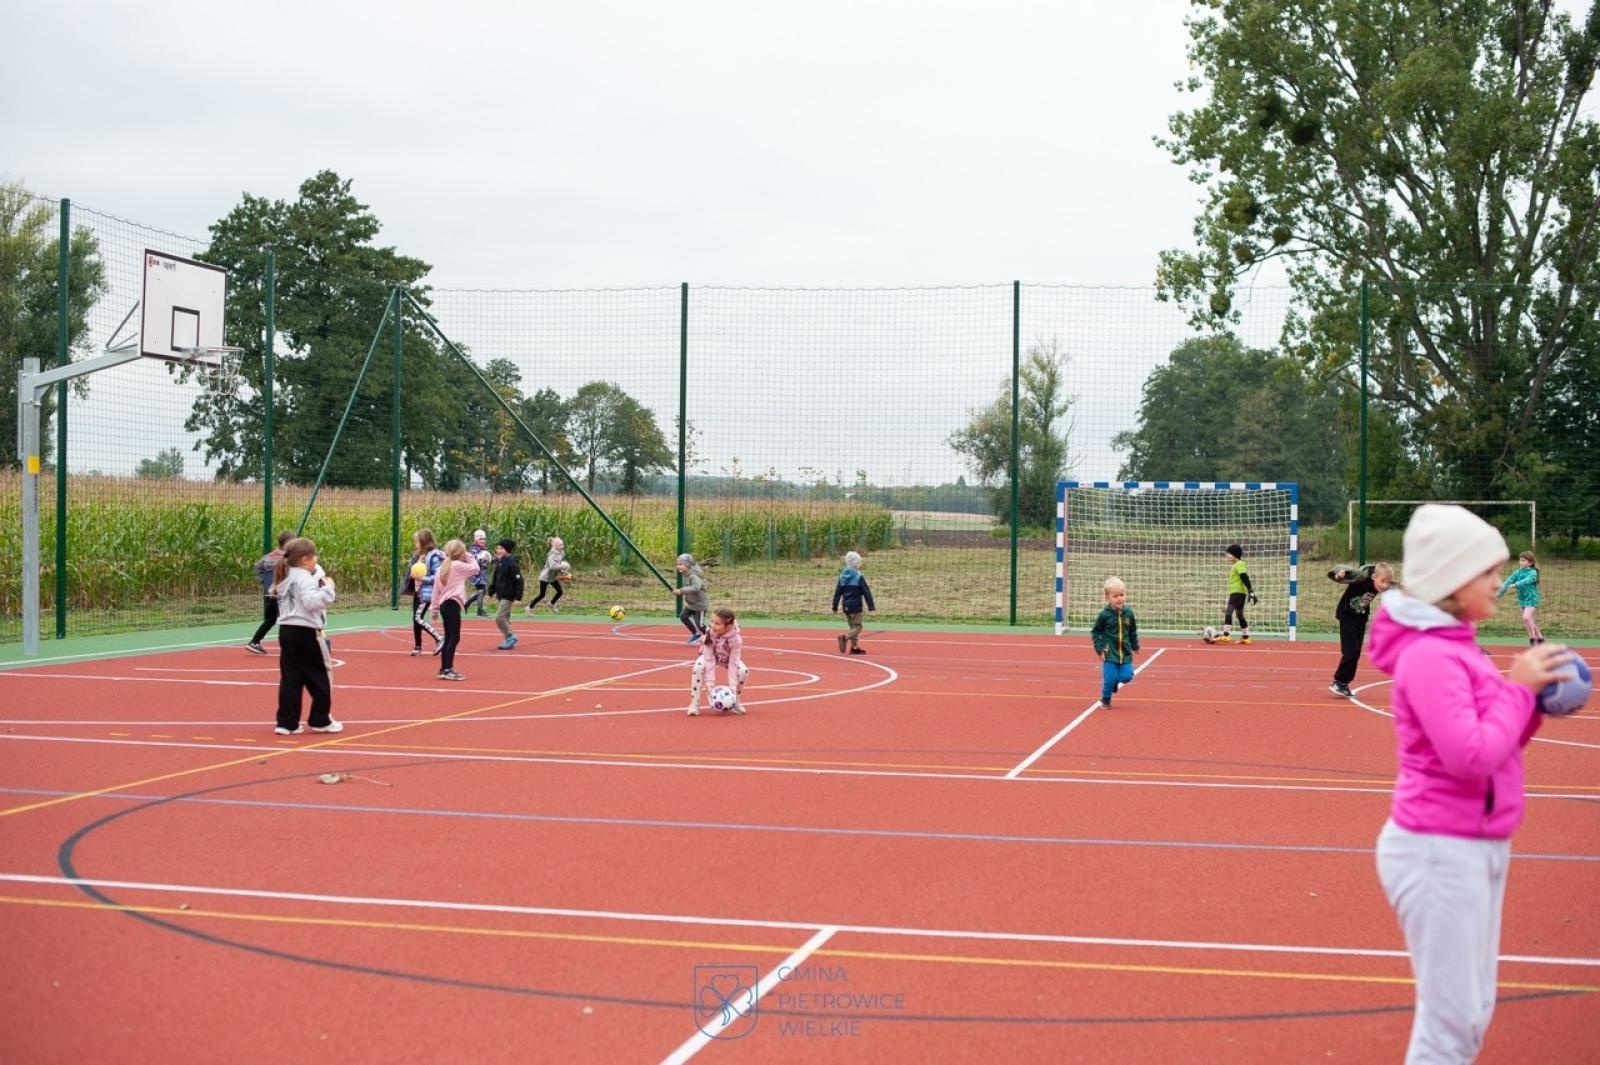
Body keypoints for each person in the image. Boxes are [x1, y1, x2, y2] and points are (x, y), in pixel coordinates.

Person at [1368, 504, 1573, 1063]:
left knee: (1472, 1011)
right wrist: (1519, 690)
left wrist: (1530, 701)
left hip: (1473, 842)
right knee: (1450, 1026)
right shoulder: (1431, 656)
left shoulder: (1457, 645)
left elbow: (1496, 740)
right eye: (1489, 572)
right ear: (1454, 583)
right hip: (1438, 850)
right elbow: (1468, 755)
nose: (1500, 582)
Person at [272, 537, 342, 735]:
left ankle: (287, 722)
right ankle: (320, 719)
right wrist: (328, 588)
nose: (316, 560)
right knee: (320, 675)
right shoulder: (303, 578)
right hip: (305, 632)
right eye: (313, 557)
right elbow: (311, 602)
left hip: (286, 630)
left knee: (291, 678)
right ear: (304, 559)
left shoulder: (285, 576)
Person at [1327, 561, 1395, 697]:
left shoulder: (1381, 583)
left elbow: (1397, 587)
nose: (1385, 585)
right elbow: (1343, 570)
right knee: (1350, 652)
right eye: (1383, 581)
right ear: (1374, 577)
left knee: (1356, 652)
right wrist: (1339, 575)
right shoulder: (1361, 576)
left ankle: (1343, 683)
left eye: (1387, 582)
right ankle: (1339, 682)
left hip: (1360, 617)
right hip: (1347, 615)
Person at [430, 538, 480, 681]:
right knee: (454, 637)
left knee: (449, 637)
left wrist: (434, 609)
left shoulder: (442, 568)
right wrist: (469, 555)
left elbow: (436, 590)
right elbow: (475, 568)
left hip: (445, 605)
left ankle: (445, 668)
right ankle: (447, 668)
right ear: (460, 553)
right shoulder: (458, 565)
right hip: (452, 604)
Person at [1089, 576, 1140, 709]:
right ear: (1108, 597)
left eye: (1122, 595)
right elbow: (1095, 632)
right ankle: (1106, 699)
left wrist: (1135, 646)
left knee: (1128, 676)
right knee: (1109, 679)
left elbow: (1132, 631)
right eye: (1115, 596)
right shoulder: (1104, 615)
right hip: (1109, 653)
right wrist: (1100, 649)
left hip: (1125, 653)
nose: (1119, 599)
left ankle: (1115, 684)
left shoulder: (1129, 613)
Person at [687, 606, 747, 716]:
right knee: (698, 667)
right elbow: (709, 659)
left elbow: (734, 662)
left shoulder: (736, 640)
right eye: (711, 622)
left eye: (717, 624)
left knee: (743, 671)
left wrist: (732, 688)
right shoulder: (709, 634)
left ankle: (735, 701)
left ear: (728, 626)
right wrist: (710, 684)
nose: (712, 625)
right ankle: (694, 704)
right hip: (710, 657)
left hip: (728, 659)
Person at [245, 530, 293, 654]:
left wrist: (264, 582)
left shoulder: (268, 557)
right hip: (281, 594)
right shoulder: (287, 558)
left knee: (270, 620)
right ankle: (290, 646)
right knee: (289, 619)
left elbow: (257, 568)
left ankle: (255, 641)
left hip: (269, 593)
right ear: (287, 543)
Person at [406, 529, 444, 655]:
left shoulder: (433, 556)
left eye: (417, 541)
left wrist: (422, 578)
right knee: (416, 618)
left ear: (424, 541)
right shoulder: (417, 555)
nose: (415, 543)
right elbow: (412, 571)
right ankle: (418, 646)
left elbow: (437, 576)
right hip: (418, 591)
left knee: (417, 618)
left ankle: (439, 638)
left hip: (428, 591)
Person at [830, 550, 876, 654]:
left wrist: (834, 607)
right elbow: (866, 592)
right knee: (858, 627)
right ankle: (844, 638)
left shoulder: (842, 577)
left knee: (852, 627)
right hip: (856, 606)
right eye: (859, 563)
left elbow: (838, 593)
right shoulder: (858, 577)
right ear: (856, 564)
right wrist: (871, 608)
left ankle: (854, 648)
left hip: (846, 606)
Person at [1497, 551, 1545, 645]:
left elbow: (1527, 580)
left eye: (1523, 560)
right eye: (1520, 560)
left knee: (1526, 617)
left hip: (1531, 598)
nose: (1520, 562)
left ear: (1530, 563)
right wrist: (1498, 594)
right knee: (1529, 619)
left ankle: (1532, 638)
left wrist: (1516, 585)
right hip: (1522, 599)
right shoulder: (1517, 572)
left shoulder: (1533, 572)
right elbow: (1508, 582)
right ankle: (1540, 637)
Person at [1216, 543, 1256, 644]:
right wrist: (1250, 591)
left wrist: (1251, 590)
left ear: (1235, 554)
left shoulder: (1239, 564)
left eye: (1229, 553)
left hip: (1237, 593)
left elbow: (1244, 577)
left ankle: (1226, 635)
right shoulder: (1236, 565)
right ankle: (1246, 637)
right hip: (1239, 593)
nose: (1227, 556)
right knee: (1240, 615)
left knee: (1228, 612)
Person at [489, 537, 524, 650]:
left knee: (499, 617)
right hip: (501, 594)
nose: (498, 550)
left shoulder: (512, 564)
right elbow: (495, 578)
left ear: (508, 550)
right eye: (497, 548)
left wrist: (518, 597)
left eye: (501, 548)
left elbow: (519, 580)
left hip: (508, 595)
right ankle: (508, 639)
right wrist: (491, 592)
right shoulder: (500, 562)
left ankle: (510, 636)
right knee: (506, 618)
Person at [671, 552, 710, 643]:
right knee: (683, 616)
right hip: (691, 603)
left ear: (687, 565)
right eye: (678, 564)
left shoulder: (693, 576)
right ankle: (696, 634)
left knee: (699, 624)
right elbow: (689, 588)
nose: (678, 566)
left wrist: (681, 591)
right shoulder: (685, 573)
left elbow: (696, 587)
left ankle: (711, 637)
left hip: (700, 605)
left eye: (680, 564)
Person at [526, 536, 569, 613]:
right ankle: (529, 607)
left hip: (553, 577)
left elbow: (559, 564)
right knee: (542, 595)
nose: (562, 546)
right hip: (545, 577)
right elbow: (552, 566)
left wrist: (564, 572)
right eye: (560, 545)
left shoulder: (562, 553)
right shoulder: (552, 555)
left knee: (560, 592)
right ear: (555, 546)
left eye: (562, 544)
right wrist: (564, 566)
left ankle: (551, 604)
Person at [464, 529, 494, 617]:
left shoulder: (484, 549)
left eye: (484, 539)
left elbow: (487, 560)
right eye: (480, 539)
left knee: (483, 592)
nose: (483, 541)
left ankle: (467, 603)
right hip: (476, 574)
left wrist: (492, 559)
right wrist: (482, 561)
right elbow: (472, 560)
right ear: (476, 540)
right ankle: (479, 611)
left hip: (482, 573)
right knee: (481, 591)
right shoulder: (473, 550)